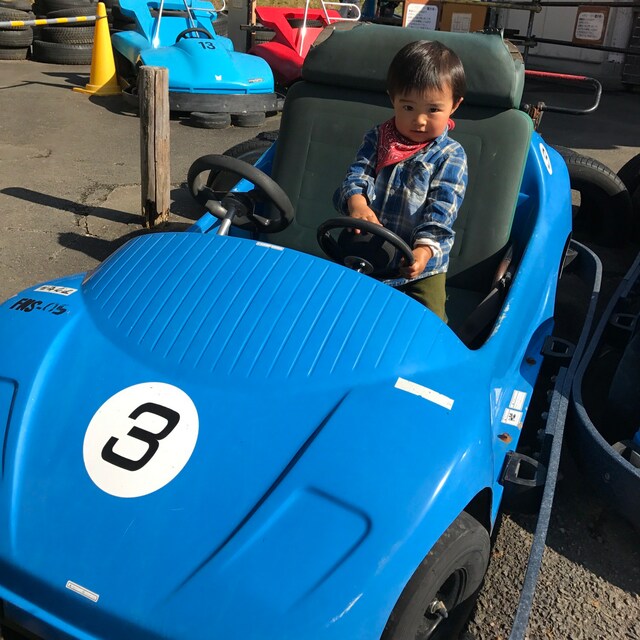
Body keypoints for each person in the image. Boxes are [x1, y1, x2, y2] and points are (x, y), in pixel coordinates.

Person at [333, 40, 467, 321]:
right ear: (392, 98)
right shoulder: (378, 137)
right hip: (368, 249)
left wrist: (424, 251)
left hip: (420, 264)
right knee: (336, 305)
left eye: (433, 110)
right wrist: (357, 203)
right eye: (408, 107)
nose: (419, 120)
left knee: (430, 322)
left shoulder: (450, 155)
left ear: (455, 105)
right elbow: (358, 173)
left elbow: (442, 211)